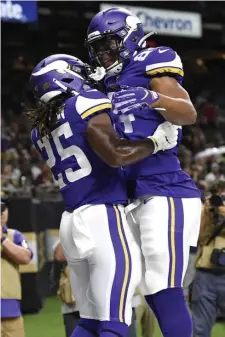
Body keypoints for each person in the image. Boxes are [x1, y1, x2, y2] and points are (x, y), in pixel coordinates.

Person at [27, 54, 178, 337]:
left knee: (89, 322)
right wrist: (156, 142)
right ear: (67, 77)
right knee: (116, 321)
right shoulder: (85, 103)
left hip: (72, 222)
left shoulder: (40, 129)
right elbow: (116, 154)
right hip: (102, 216)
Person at [86, 7, 202, 337]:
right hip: (126, 192)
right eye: (97, 48)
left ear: (130, 36)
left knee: (161, 282)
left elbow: (187, 113)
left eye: (109, 44)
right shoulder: (106, 80)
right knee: (130, 286)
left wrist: (152, 97)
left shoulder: (153, 60)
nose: (104, 53)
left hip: (165, 188)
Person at [192, 187, 225, 336]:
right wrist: (207, 213)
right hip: (206, 273)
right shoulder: (209, 212)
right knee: (200, 329)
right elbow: (200, 238)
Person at [1, 198, 33, 337]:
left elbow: (26, 258)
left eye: (3, 209)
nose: (1, 213)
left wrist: (2, 239)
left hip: (10, 309)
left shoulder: (15, 235)